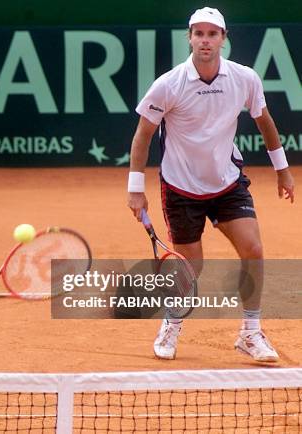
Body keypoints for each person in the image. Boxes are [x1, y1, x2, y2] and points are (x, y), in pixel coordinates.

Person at [127, 7, 294, 362]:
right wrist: (135, 188)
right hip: (181, 189)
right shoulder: (168, 84)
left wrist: (282, 169)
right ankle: (171, 325)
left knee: (253, 250)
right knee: (192, 268)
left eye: (212, 34)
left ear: (224, 38)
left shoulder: (244, 78)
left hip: (227, 184)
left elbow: (264, 121)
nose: (205, 40)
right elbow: (143, 135)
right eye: (199, 34)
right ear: (189, 38)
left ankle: (250, 333)